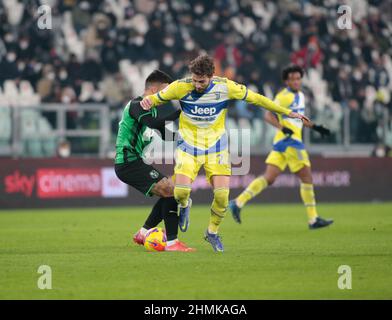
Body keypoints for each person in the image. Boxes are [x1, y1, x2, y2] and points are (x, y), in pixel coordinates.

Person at [140, 55, 310, 252]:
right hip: (188, 147)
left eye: (201, 81)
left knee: (222, 197)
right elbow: (156, 98)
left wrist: (287, 113)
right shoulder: (180, 86)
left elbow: (257, 99)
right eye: (194, 80)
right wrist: (148, 102)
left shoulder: (226, 87)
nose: (196, 85)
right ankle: (185, 204)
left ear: (212, 76)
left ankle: (212, 232)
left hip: (216, 149)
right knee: (180, 192)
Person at [229, 65, 334, 229]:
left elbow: (299, 119)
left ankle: (237, 202)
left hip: (281, 143)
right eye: (292, 79)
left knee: (269, 178)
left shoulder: (300, 96)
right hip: (290, 142)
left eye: (298, 78)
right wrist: (281, 127)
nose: (296, 82)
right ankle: (313, 219)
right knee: (307, 177)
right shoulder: (283, 96)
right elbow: (268, 114)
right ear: (286, 81)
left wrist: (316, 128)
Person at [114, 70, 194, 252]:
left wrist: (186, 139)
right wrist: (179, 113)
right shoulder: (136, 105)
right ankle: (173, 243)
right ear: (153, 88)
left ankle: (143, 233)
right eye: (164, 91)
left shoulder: (151, 109)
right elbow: (154, 124)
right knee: (170, 190)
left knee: (168, 190)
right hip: (127, 161)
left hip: (133, 161)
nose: (166, 96)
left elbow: (165, 135)